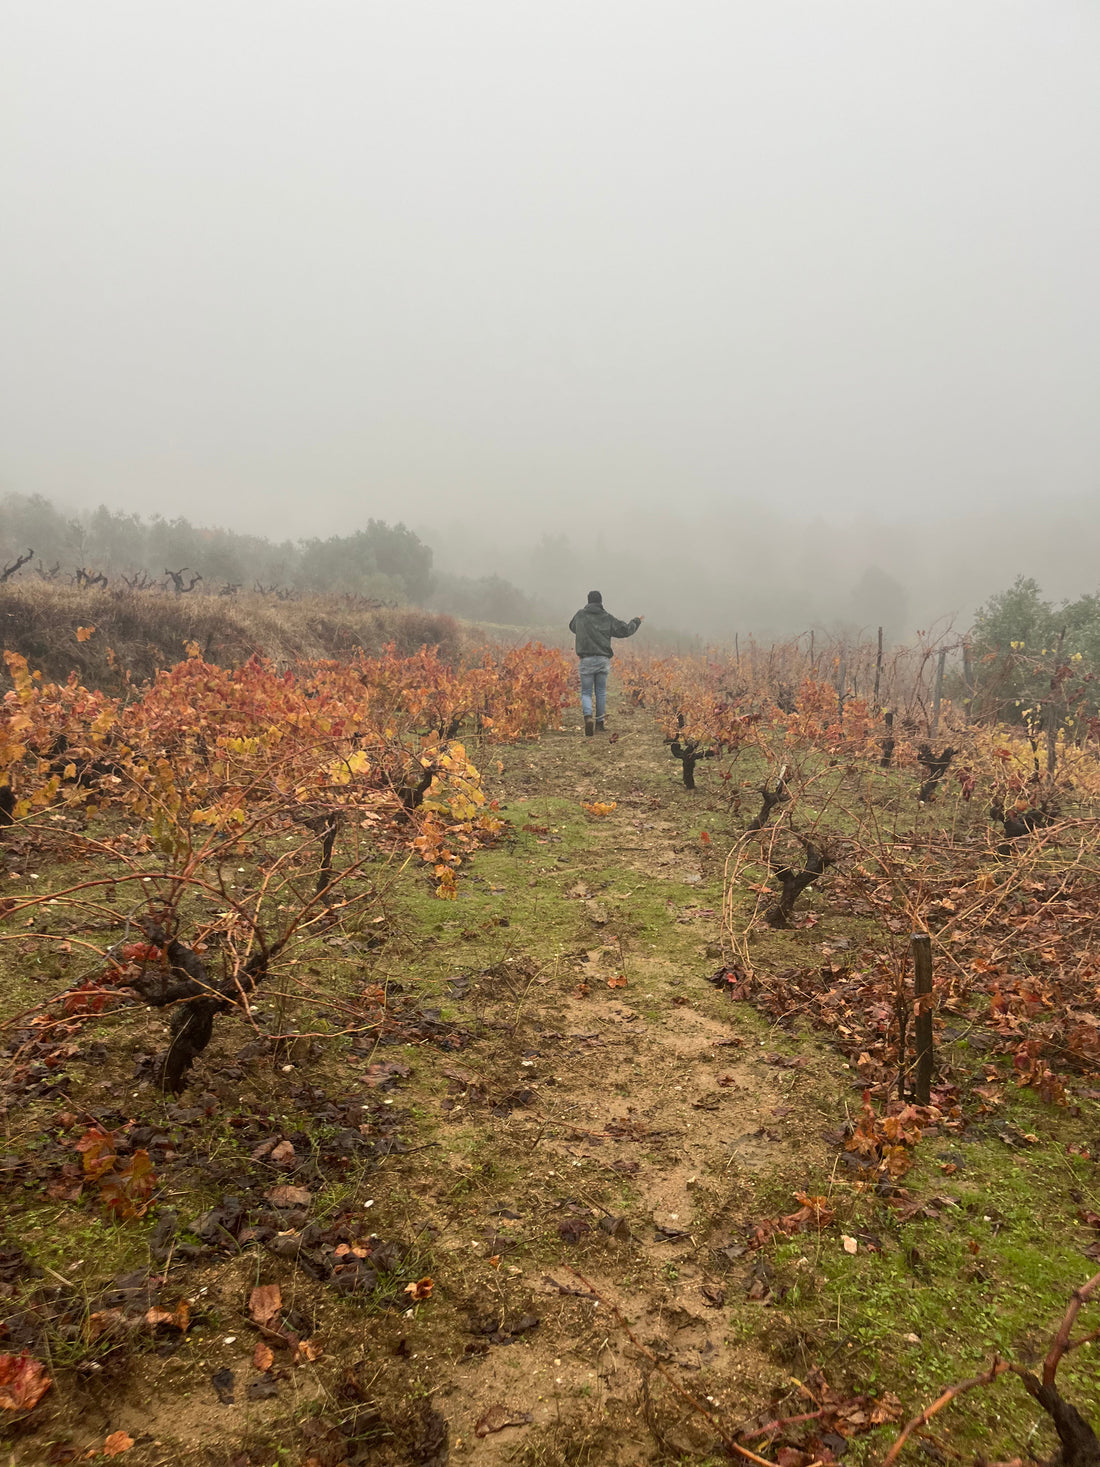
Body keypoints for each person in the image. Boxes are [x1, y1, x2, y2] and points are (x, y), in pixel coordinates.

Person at [568, 591, 643, 736]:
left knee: (586, 692)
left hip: (586, 659)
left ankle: (588, 717)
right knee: (601, 692)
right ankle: (600, 724)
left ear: (588, 601)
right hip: (602, 660)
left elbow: (572, 627)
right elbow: (625, 630)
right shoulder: (606, 617)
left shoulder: (580, 615)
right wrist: (636, 621)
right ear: (601, 602)